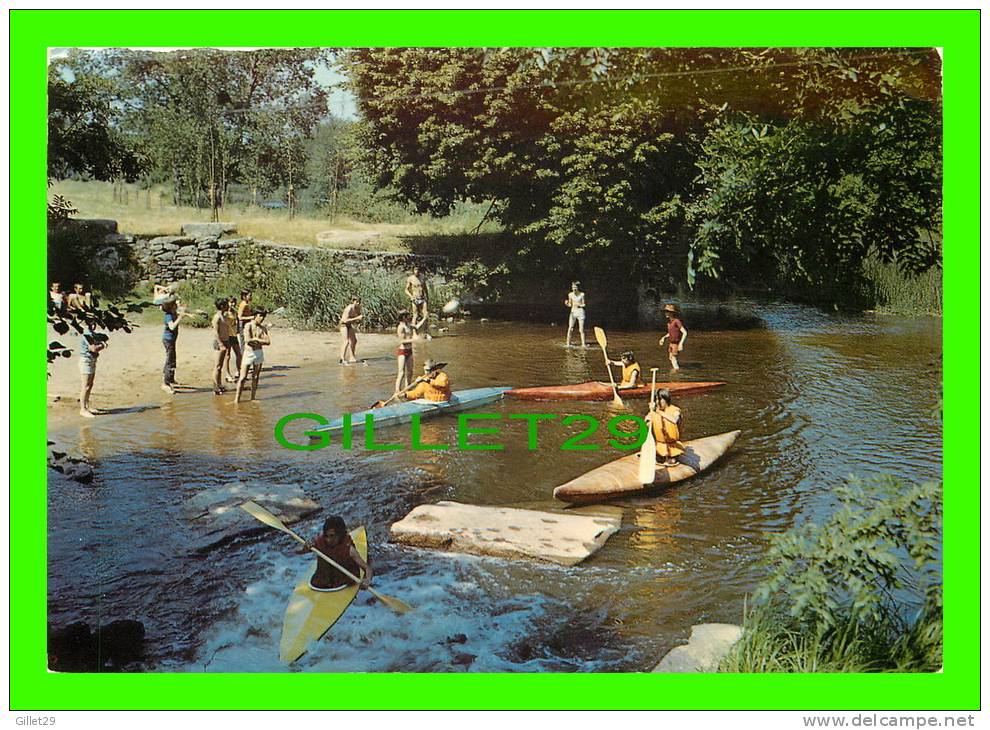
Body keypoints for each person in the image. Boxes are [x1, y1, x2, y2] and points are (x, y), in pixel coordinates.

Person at [300, 516, 372, 592]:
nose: (328, 540)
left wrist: (367, 580)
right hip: (324, 581)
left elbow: (368, 569)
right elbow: (299, 552)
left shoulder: (350, 550)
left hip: (342, 580)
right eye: (326, 536)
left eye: (332, 536)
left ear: (340, 535)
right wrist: (305, 547)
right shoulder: (320, 541)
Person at [235, 309, 271, 404]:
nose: (262, 318)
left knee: (255, 377)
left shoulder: (262, 328)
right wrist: (258, 340)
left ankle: (252, 397)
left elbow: (268, 341)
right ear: (255, 315)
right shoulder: (248, 326)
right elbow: (247, 340)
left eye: (263, 316)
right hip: (249, 353)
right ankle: (236, 400)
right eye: (260, 316)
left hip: (259, 353)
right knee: (242, 377)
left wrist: (256, 340)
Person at [161, 297, 194, 394]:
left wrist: (189, 315)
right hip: (168, 340)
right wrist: (180, 318)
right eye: (175, 304)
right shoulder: (168, 316)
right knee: (169, 361)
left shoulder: (173, 313)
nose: (177, 305)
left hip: (172, 340)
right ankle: (165, 384)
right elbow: (172, 327)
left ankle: (170, 379)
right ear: (171, 307)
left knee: (173, 359)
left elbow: (181, 313)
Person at [647, 388, 684, 467]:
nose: (657, 402)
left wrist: (657, 412)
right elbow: (646, 424)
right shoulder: (653, 412)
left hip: (673, 447)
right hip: (660, 446)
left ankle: (673, 457)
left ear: (666, 399)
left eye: (660, 399)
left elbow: (674, 420)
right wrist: (648, 420)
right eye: (656, 400)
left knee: (671, 461)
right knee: (659, 460)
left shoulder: (675, 410)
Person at [78, 324, 107, 418]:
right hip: (86, 361)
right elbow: (93, 349)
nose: (93, 325)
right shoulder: (86, 334)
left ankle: (87, 407)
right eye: (90, 323)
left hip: (92, 360)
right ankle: (82, 409)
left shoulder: (92, 334)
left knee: (90, 384)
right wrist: (103, 345)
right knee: (85, 386)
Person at [211, 298, 232, 395]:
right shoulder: (217, 317)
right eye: (227, 305)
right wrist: (221, 344)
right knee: (217, 366)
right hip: (220, 342)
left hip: (226, 340)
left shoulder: (223, 316)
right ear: (222, 306)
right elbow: (215, 332)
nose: (229, 306)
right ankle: (215, 387)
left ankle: (219, 384)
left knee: (221, 365)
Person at [658, 303, 688, 371]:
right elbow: (670, 333)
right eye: (665, 312)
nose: (665, 313)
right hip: (671, 343)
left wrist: (681, 344)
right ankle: (676, 370)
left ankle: (676, 372)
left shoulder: (676, 321)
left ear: (671, 313)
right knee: (671, 358)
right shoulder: (669, 323)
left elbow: (685, 332)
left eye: (667, 312)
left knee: (673, 358)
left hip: (676, 343)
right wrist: (663, 338)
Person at [394, 310, 415, 394]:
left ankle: (407, 389)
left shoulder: (409, 325)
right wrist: (414, 340)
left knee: (410, 372)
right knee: (401, 373)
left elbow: (417, 327)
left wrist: (424, 318)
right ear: (403, 317)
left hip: (409, 350)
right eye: (407, 316)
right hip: (402, 351)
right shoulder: (401, 327)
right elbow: (402, 341)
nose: (409, 317)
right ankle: (397, 391)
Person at [405, 266, 430, 334]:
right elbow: (406, 290)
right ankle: (414, 333)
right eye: (415, 269)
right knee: (415, 316)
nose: (416, 271)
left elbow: (425, 288)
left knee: (425, 315)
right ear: (413, 270)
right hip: (415, 298)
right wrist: (411, 296)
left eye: (417, 269)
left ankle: (426, 332)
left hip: (422, 298)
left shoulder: (422, 277)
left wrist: (427, 297)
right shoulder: (410, 278)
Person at [338, 296, 363, 365]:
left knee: (354, 340)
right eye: (356, 302)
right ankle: (342, 359)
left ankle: (352, 357)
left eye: (359, 302)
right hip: (343, 325)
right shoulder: (349, 308)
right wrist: (356, 318)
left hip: (349, 325)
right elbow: (344, 320)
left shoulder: (358, 308)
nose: (358, 303)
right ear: (353, 301)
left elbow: (358, 317)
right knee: (346, 341)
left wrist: (359, 319)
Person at [223, 295, 242, 383]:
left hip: (233, 335)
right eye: (231, 302)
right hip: (227, 335)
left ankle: (238, 371)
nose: (233, 304)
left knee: (238, 354)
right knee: (227, 356)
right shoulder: (225, 313)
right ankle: (227, 374)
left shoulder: (235, 312)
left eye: (234, 302)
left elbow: (237, 323)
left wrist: (238, 332)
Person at [564, 281, 587, 348]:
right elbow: (570, 304)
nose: (574, 288)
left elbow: (584, 304)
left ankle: (583, 344)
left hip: (580, 312)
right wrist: (567, 304)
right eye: (573, 287)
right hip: (573, 312)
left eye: (575, 287)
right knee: (570, 328)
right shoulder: (570, 294)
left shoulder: (582, 294)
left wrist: (580, 305)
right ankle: (568, 343)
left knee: (581, 329)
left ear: (578, 288)